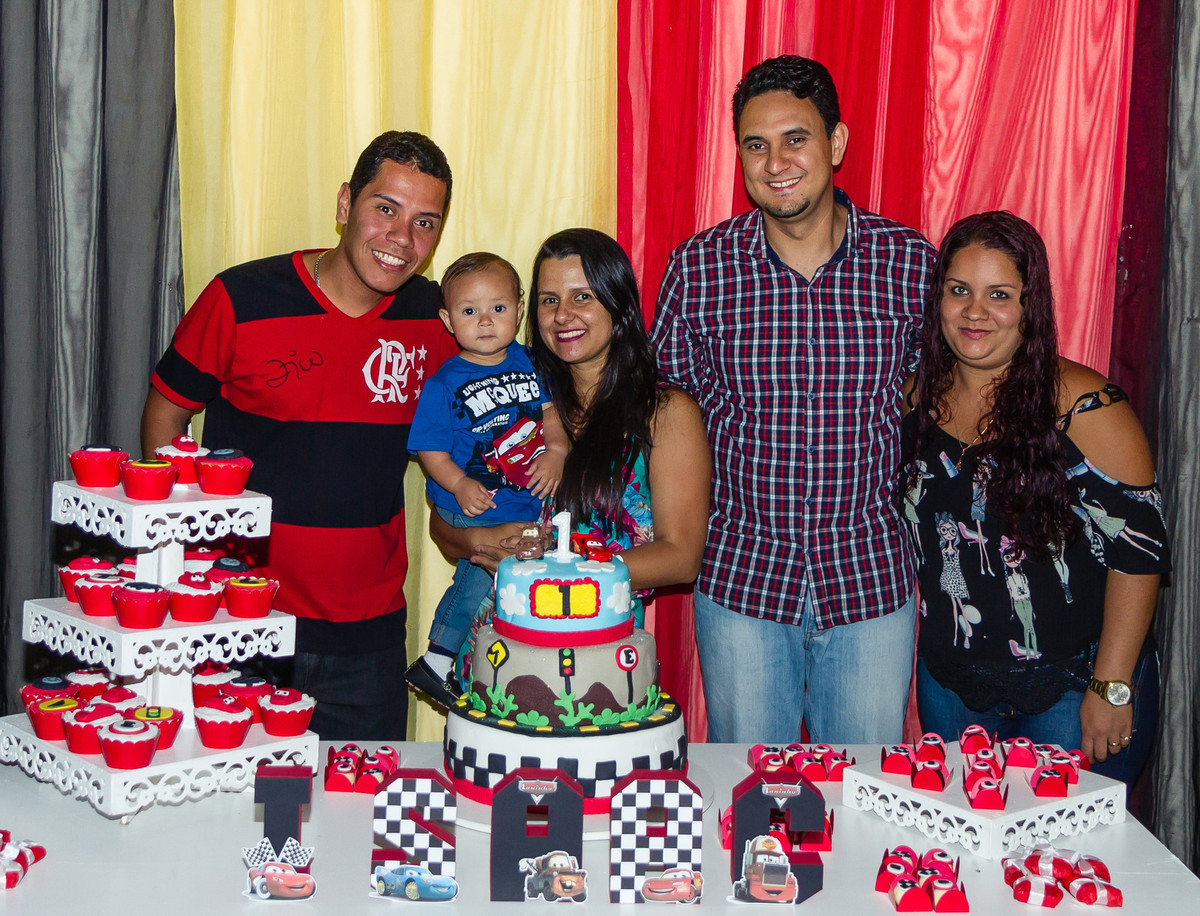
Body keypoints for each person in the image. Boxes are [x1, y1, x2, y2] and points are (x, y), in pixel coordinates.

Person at [651, 55, 934, 744]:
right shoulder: (700, 268)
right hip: (743, 584)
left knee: (863, 792)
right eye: (756, 144)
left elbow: (937, 398)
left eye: (795, 139)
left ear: (836, 143)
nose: (775, 162)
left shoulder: (909, 263)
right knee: (750, 791)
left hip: (869, 583)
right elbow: (663, 414)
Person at [141, 130, 460, 740]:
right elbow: (166, 413)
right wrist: (180, 552)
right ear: (345, 204)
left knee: (360, 797)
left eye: (425, 222)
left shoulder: (438, 319)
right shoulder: (241, 297)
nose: (401, 238)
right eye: (385, 209)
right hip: (239, 622)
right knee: (236, 798)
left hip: (366, 640)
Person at [900, 211, 1169, 780]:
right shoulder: (916, 397)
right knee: (963, 836)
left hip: (1072, 689)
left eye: (999, 295)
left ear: (1031, 306)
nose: (975, 312)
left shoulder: (1087, 407)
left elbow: (1140, 555)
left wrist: (1112, 685)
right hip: (951, 686)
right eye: (959, 290)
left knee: (1065, 839)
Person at [429, 228, 711, 665]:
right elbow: (444, 524)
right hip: (493, 652)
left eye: (582, 297)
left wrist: (550, 568)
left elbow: (681, 558)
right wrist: (481, 540)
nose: (563, 315)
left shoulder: (665, 412)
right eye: (549, 300)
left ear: (618, 303)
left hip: (596, 659)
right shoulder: (514, 398)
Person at [404, 252, 567, 706]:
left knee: (511, 587)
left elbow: (552, 415)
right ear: (448, 320)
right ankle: (436, 660)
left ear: (519, 309)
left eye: (498, 308)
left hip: (520, 501)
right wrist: (458, 484)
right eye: (469, 311)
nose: (485, 321)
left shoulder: (531, 362)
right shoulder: (444, 382)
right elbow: (431, 450)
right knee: (477, 578)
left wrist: (557, 451)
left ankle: (512, 673)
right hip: (470, 501)